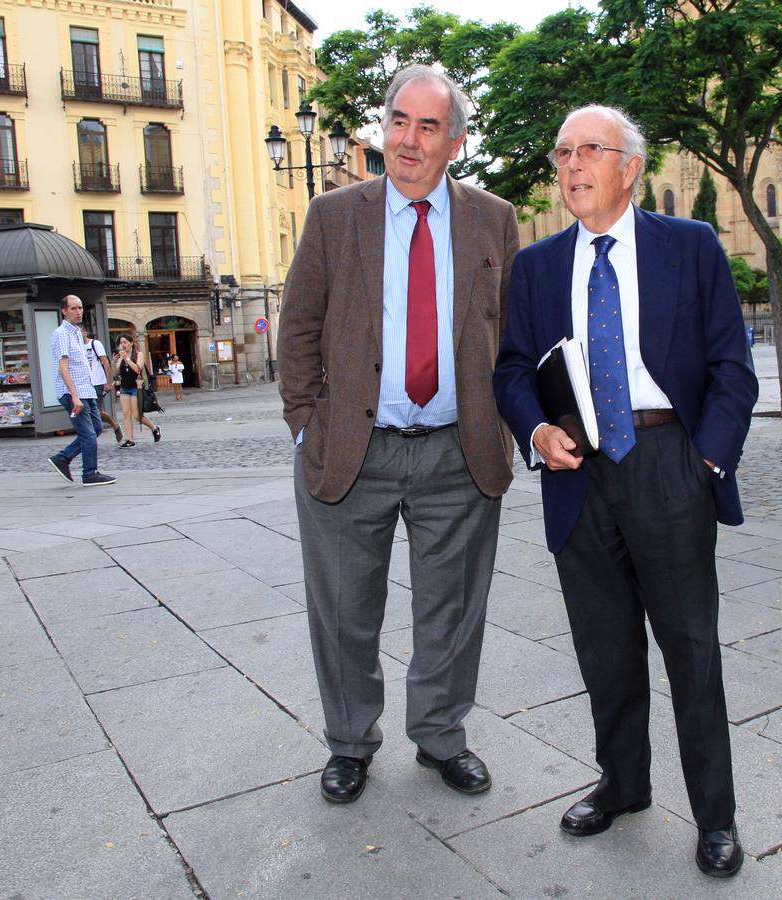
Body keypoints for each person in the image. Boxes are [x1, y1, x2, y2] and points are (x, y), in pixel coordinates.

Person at [493, 104, 757, 878]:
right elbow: (511, 368)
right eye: (562, 152)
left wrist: (704, 465)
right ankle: (623, 784)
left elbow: (731, 370)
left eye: (589, 150)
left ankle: (715, 815)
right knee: (604, 650)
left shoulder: (691, 246)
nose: (571, 165)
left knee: (690, 651)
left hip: (668, 460)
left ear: (629, 167)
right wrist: (536, 433)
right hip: (579, 474)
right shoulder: (537, 265)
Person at [278, 65, 520, 807]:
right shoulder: (333, 214)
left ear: (456, 140)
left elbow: (510, 331)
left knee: (451, 609)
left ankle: (441, 735)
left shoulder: (493, 219)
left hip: (460, 448)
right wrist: (304, 425)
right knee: (344, 610)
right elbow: (298, 328)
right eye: (397, 121)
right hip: (352, 450)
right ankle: (349, 742)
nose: (407, 141)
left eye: (427, 126)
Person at [46, 295, 116, 486]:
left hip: (87, 390)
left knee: (97, 428)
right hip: (74, 392)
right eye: (74, 308)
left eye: (80, 308)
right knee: (88, 434)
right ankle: (89, 473)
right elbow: (62, 366)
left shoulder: (77, 332)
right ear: (64, 311)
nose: (79, 312)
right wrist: (74, 396)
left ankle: (63, 458)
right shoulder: (61, 334)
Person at [113, 334, 160, 447]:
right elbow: (116, 374)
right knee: (126, 414)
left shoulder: (139, 354)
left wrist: (127, 359)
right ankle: (130, 440)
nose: (123, 345)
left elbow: (137, 369)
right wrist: (114, 363)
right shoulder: (120, 356)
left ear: (131, 343)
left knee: (137, 415)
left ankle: (154, 428)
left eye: (125, 342)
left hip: (136, 387)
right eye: (121, 343)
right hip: (124, 387)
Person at [82, 326, 124, 445]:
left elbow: (106, 362)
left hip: (97, 382)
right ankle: (110, 428)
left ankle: (113, 426)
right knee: (88, 411)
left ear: (84, 332)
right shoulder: (77, 347)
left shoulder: (95, 344)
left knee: (97, 410)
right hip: (85, 383)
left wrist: (107, 381)